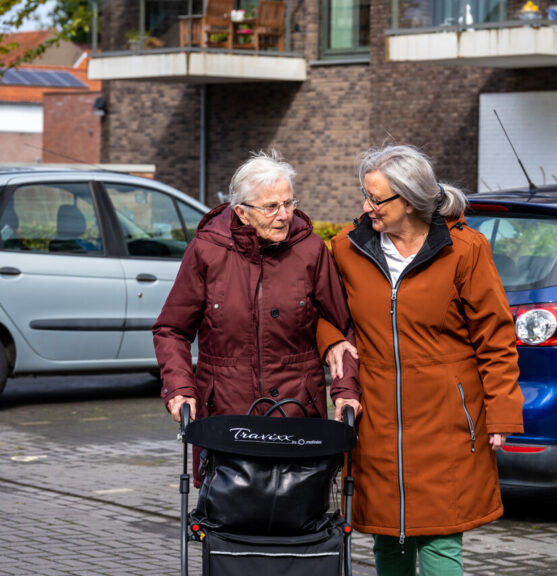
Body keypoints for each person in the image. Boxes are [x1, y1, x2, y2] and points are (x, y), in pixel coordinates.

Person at [317, 144, 524, 576]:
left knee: (440, 540)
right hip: (376, 420)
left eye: (376, 198)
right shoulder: (346, 250)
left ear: (409, 200)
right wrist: (331, 340)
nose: (365, 206)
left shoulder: (465, 250)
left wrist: (502, 411)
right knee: (387, 540)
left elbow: (495, 336)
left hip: (447, 420)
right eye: (366, 195)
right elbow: (324, 312)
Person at [153, 150, 355, 435]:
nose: (284, 215)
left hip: (297, 412)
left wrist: (346, 389)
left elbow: (342, 326)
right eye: (271, 207)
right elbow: (171, 329)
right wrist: (180, 387)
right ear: (241, 213)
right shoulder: (206, 251)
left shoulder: (311, 250)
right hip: (224, 415)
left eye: (288, 203)